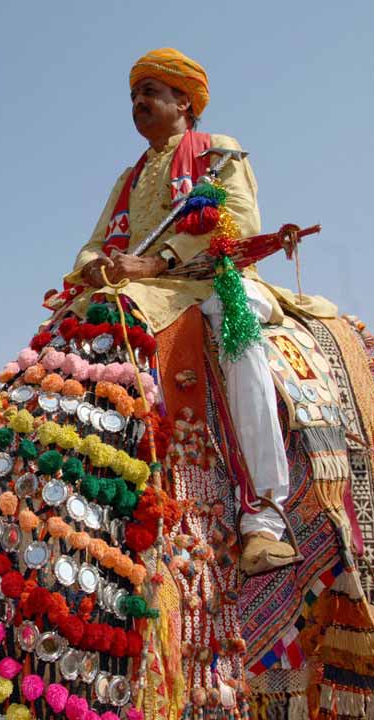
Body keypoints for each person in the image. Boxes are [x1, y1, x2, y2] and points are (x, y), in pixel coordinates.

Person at [61, 48, 334, 575]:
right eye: (134, 96)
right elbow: (95, 242)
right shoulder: (129, 177)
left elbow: (238, 220)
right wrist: (95, 267)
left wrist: (158, 259)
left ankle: (264, 517)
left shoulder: (217, 150)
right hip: (139, 289)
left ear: (184, 100)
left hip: (213, 278)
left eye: (151, 93)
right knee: (68, 331)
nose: (139, 102)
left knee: (237, 332)